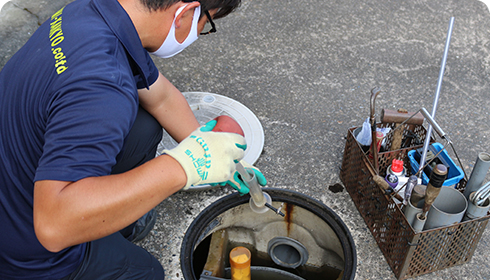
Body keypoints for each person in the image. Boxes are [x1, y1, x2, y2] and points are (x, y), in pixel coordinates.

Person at [0, 0, 266, 279]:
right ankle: (88, 229)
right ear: (186, 11)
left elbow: (161, 96)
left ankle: (110, 222)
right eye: (206, 23)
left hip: (18, 170)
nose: (200, 32)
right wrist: (185, 166)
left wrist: (214, 152)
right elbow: (53, 228)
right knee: (146, 272)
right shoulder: (103, 85)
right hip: (24, 247)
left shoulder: (93, 12)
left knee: (143, 129)